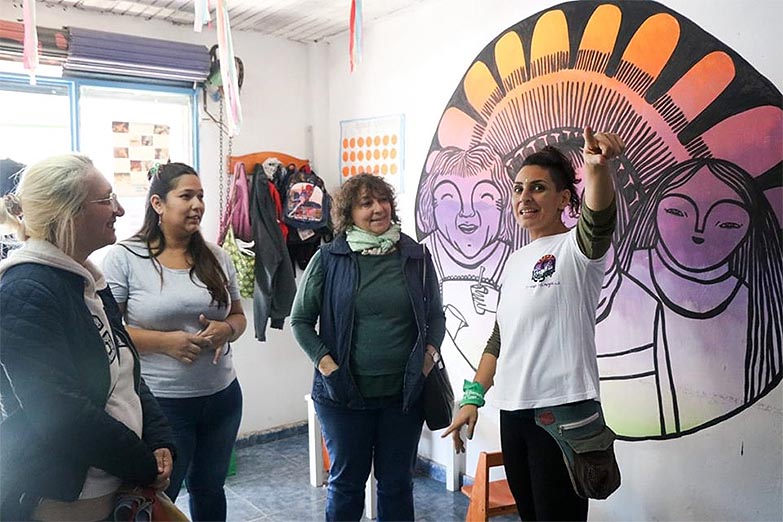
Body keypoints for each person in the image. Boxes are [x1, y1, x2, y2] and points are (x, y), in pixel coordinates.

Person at [443, 128, 625, 521]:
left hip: (561, 417)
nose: (524, 198)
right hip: (514, 413)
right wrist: (473, 397)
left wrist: (596, 169)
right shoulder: (516, 260)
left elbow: (598, 221)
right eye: (518, 188)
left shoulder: (576, 251)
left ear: (563, 199)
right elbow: (500, 337)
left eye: (538, 188)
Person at [0, 154, 175, 521]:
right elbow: (59, 413)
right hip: (67, 500)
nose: (120, 210)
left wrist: (159, 440)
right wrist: (143, 463)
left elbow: (126, 372)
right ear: (68, 212)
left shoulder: (86, 279)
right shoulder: (26, 290)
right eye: (107, 199)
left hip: (110, 488)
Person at [291, 173, 446, 521]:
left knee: (397, 485)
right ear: (349, 213)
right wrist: (327, 366)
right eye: (366, 203)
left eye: (382, 200)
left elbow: (436, 315)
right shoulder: (330, 258)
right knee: (346, 486)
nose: (378, 209)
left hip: (403, 398)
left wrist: (428, 358)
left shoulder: (415, 256)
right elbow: (300, 321)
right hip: (343, 397)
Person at [102, 162, 247, 522]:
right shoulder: (125, 257)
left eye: (201, 196)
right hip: (164, 404)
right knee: (161, 497)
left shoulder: (216, 256)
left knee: (211, 489)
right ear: (158, 203)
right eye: (186, 196)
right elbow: (109, 330)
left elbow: (239, 316)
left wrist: (225, 331)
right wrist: (164, 342)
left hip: (222, 397)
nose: (197, 204)